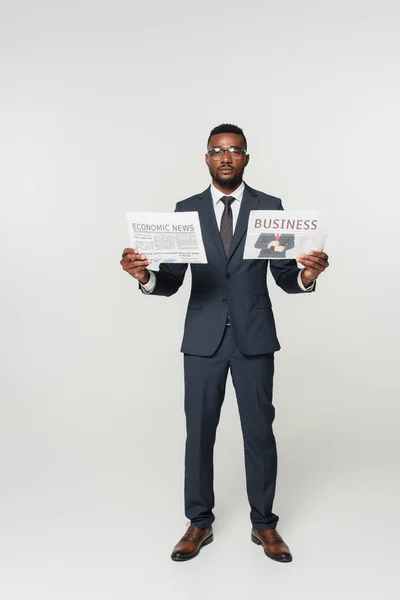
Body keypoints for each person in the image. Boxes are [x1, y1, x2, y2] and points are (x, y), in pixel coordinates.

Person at [120, 124, 329, 563]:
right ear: (207, 158)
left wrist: (308, 274)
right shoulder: (185, 210)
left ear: (247, 158)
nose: (226, 157)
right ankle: (199, 521)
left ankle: (264, 525)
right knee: (199, 434)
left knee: (259, 433)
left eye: (235, 150)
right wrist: (144, 276)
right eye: (218, 150)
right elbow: (171, 281)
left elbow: (286, 277)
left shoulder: (270, 208)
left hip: (254, 338)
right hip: (202, 340)